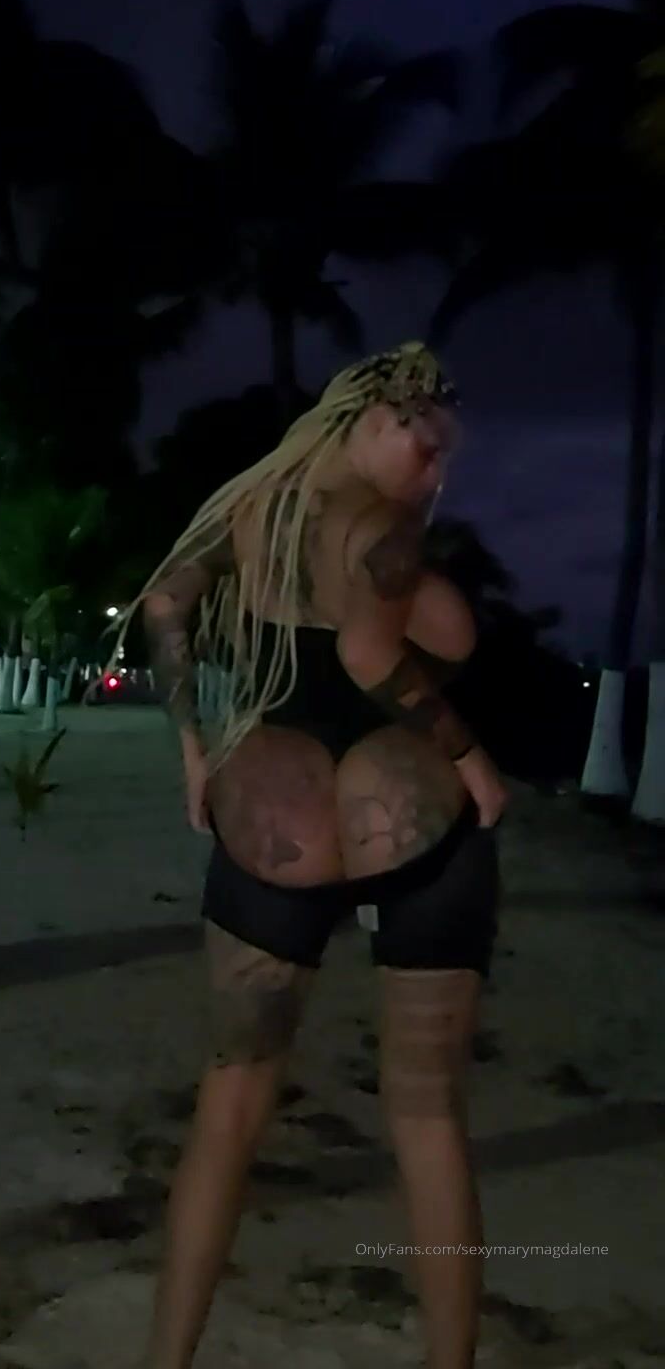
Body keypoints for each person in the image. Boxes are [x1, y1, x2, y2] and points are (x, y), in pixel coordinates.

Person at [131, 343, 507, 1369]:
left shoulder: (254, 510)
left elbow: (164, 605)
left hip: (277, 817)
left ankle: (167, 1359)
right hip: (407, 810)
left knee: (230, 1104)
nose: (432, 469)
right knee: (427, 1114)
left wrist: (194, 747)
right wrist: (472, 762)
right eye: (420, 442)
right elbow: (370, 655)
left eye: (442, 456)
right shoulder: (381, 527)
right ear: (365, 419)